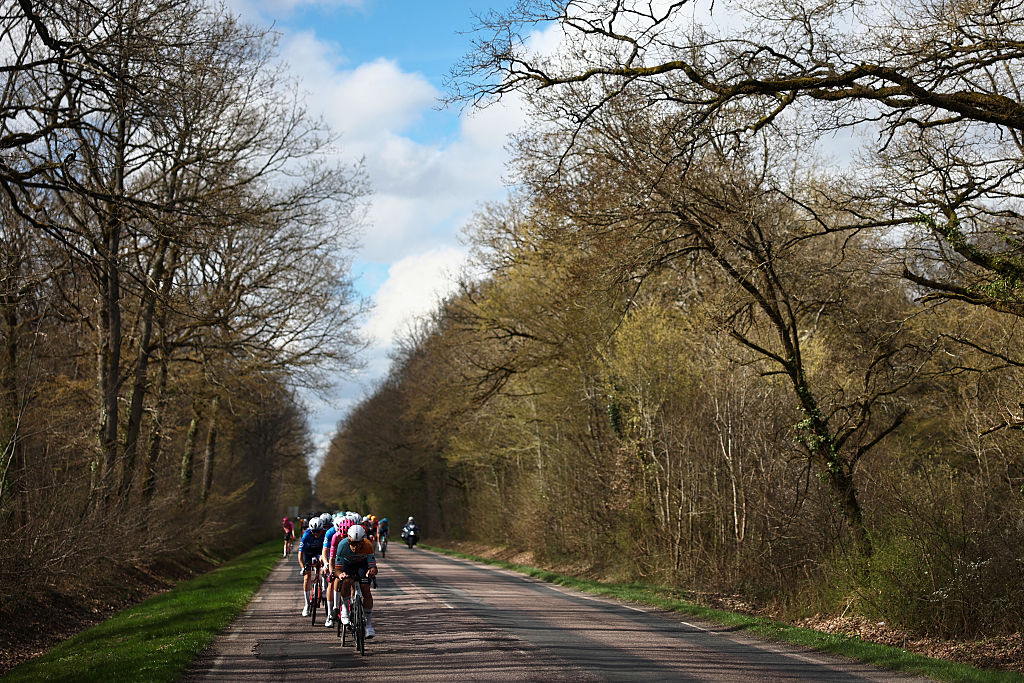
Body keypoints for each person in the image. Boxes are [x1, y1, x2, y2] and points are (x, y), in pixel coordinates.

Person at [329, 523, 378, 637]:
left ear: (363, 541)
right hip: (347, 566)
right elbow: (337, 570)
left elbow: (373, 567)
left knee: (366, 589)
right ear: (348, 539)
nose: (355, 547)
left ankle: (369, 626)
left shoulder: (368, 545)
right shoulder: (342, 545)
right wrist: (340, 575)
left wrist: (371, 571)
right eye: (352, 543)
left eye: (358, 544)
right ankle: (345, 610)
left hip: (362, 566)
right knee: (345, 582)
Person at [297, 517, 327, 617]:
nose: (316, 534)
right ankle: (306, 604)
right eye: (314, 532)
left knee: (323, 565)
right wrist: (303, 568)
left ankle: (323, 586)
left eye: (318, 531)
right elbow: (300, 554)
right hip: (308, 553)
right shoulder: (306, 534)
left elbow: (326, 551)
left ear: (321, 529)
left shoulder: (325, 533)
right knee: (307, 577)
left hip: (320, 552)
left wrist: (325, 564)